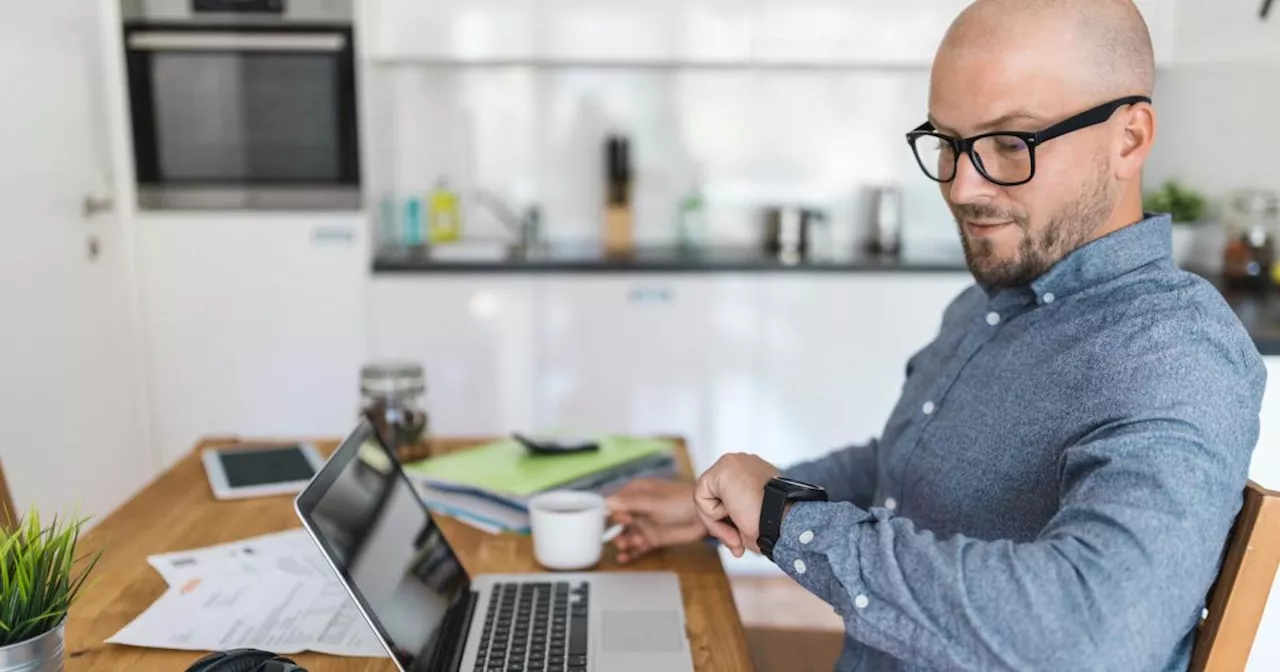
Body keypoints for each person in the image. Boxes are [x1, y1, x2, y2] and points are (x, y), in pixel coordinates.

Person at [604, 1, 1267, 670]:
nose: (962, 186)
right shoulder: (990, 303)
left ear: (1129, 138)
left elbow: (1092, 634)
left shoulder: (1174, 353)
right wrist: (730, 512)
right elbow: (903, 470)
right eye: (947, 142)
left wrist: (783, 519)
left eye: (1011, 143)